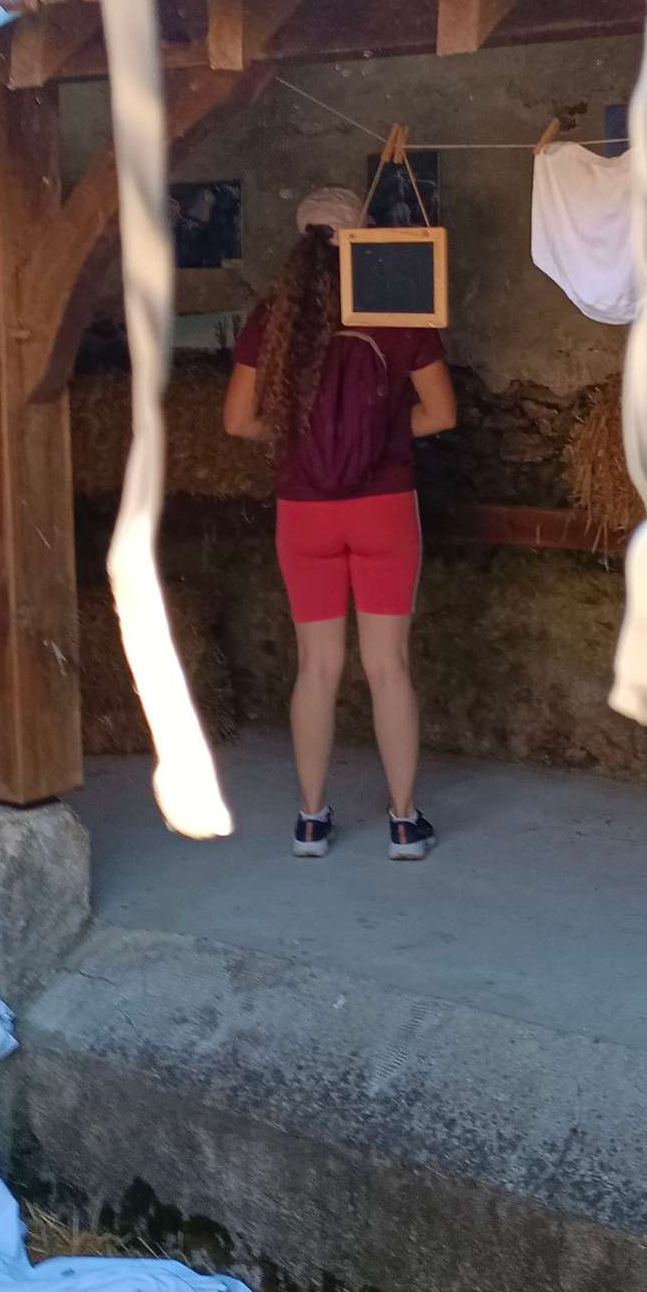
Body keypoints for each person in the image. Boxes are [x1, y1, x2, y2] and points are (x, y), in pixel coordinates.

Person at [224, 186, 457, 857]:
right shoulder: (398, 312)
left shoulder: (272, 318)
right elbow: (442, 413)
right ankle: (404, 822)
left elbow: (237, 421)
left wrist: (303, 439)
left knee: (317, 665)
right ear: (362, 239)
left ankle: (310, 819)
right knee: (388, 665)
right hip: (384, 505)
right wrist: (377, 436)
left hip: (305, 510)